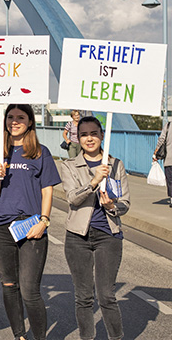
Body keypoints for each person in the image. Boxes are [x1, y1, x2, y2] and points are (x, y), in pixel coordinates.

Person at [0, 104, 60, 340]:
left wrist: (44, 220)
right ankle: (19, 335)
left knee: (29, 290)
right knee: (9, 286)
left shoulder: (41, 152)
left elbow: (47, 191)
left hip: (31, 225)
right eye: (10, 117)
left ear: (30, 122)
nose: (14, 121)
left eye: (20, 117)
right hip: (1, 228)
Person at [61, 116, 129, 340]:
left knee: (106, 296)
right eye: (83, 134)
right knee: (83, 297)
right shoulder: (69, 165)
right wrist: (93, 181)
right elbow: (72, 198)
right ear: (77, 138)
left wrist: (112, 206)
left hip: (108, 236)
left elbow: (125, 203)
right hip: (78, 237)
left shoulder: (116, 165)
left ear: (101, 135)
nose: (89, 138)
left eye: (93, 133)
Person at [153, 120, 172, 206]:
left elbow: (161, 140)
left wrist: (155, 153)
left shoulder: (168, 125)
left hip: (169, 159)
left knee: (170, 180)